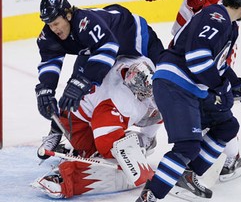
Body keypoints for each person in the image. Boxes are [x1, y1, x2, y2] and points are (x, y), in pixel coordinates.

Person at [136, 0, 241, 201]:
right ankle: (150, 196)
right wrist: (220, 88)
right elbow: (197, 59)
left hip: (190, 87)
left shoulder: (228, 25)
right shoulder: (215, 17)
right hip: (175, 83)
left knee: (227, 126)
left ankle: (187, 173)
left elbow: (219, 67)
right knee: (187, 145)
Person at [35, 0, 164, 159]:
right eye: (49, 24)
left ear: (68, 15)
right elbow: (49, 62)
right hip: (95, 44)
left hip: (135, 36)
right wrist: (46, 90)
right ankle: (55, 130)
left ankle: (148, 138)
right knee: (73, 88)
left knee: (161, 87)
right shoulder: (49, 35)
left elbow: (108, 48)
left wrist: (83, 81)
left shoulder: (85, 23)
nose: (54, 29)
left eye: (56, 23)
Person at [32, 55, 163, 199]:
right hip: (77, 121)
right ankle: (63, 180)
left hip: (85, 102)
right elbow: (106, 142)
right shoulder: (117, 101)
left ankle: (147, 139)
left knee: (161, 111)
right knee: (102, 154)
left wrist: (143, 140)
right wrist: (125, 153)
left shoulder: (139, 64)